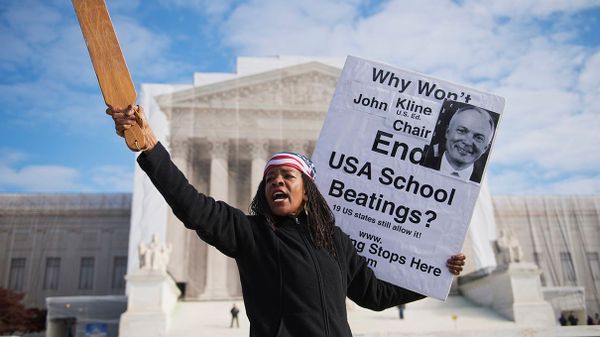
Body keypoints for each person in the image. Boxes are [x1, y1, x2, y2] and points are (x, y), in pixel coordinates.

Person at [107, 105, 466, 337]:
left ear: (307, 189)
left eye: (286, 176)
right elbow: (191, 205)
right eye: (270, 178)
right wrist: (150, 148)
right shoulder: (251, 234)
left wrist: (437, 272)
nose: (276, 181)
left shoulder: (336, 241)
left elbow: (375, 295)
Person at [422, 106, 495, 183]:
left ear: (485, 148)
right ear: (447, 132)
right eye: (461, 131)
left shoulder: (483, 188)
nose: (467, 142)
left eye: (479, 138)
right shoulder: (422, 161)